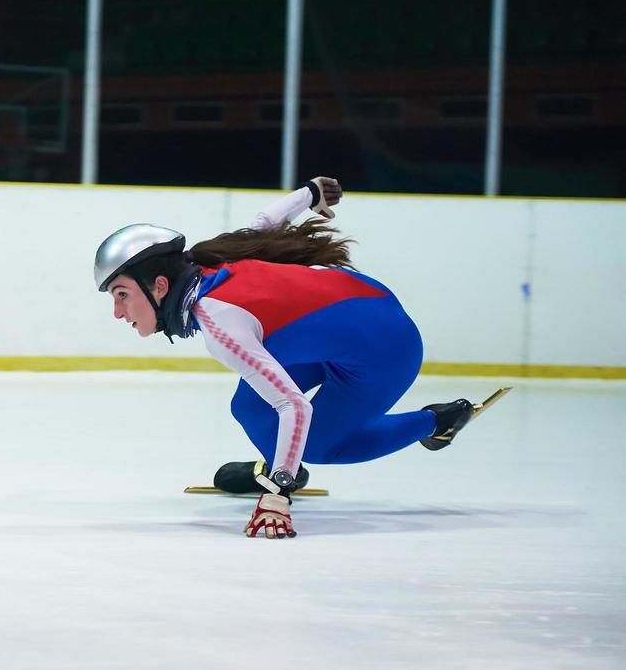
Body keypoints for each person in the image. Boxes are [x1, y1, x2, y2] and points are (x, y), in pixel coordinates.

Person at [94, 178, 480, 540]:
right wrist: (310, 193)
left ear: (160, 286)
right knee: (248, 406)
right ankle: (279, 464)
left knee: (319, 446)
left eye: (122, 294)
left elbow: (293, 405)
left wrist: (278, 495)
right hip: (356, 311)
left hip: (386, 348)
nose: (117, 312)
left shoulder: (217, 321)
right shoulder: (209, 260)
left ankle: (436, 422)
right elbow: (263, 224)